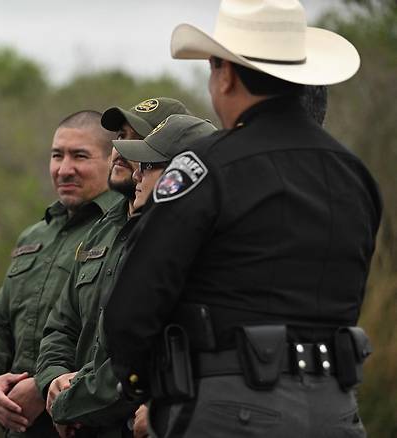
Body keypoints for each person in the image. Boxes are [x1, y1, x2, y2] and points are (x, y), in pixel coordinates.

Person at [103, 1, 382, 437]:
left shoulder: (204, 166)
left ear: (226, 74)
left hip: (232, 410)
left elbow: (133, 307)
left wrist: (150, 390)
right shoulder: (353, 173)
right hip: (337, 409)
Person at [40, 114, 215, 438]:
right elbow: (61, 325)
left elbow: (135, 360)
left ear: (181, 175)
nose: (136, 175)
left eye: (148, 166)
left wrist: (68, 401)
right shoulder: (109, 231)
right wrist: (54, 380)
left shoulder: (192, 251)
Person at [0, 110, 121, 437]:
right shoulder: (34, 236)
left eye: (79, 156)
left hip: (84, 421)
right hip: (18, 422)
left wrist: (46, 387)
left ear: (113, 160)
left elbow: (120, 337)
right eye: (57, 155)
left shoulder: (123, 230)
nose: (64, 169)